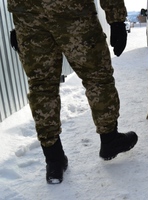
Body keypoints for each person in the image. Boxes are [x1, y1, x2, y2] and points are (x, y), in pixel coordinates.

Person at [7, 0, 138, 184]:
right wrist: (116, 19)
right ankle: (109, 139)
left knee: (42, 86)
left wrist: (20, 19)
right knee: (97, 76)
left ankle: (53, 159)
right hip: (72, 10)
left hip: (28, 14)